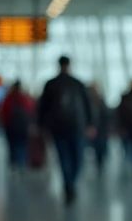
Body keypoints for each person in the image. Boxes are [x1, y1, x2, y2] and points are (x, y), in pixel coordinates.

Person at [37, 56, 94, 203]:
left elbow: (43, 107)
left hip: (58, 127)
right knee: (77, 157)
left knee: (63, 157)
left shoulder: (50, 84)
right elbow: (87, 105)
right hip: (77, 126)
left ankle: (68, 184)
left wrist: (41, 125)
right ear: (69, 65)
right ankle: (71, 182)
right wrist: (90, 124)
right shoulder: (78, 84)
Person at [0, 81, 35, 171]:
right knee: (23, 146)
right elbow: (31, 112)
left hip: (11, 128)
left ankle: (15, 164)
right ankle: (22, 164)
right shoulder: (25, 98)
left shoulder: (9, 98)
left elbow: (3, 113)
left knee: (13, 147)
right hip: (23, 128)